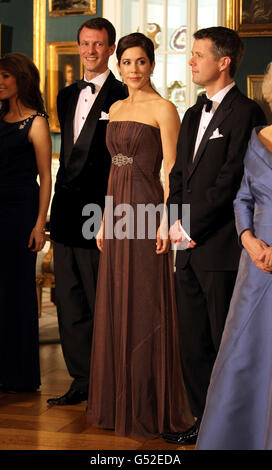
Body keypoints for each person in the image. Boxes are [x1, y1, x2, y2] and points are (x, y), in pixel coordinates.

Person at [86, 32, 197, 442]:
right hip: (115, 214)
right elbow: (113, 170)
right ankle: (118, 402)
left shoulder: (165, 108)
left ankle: (151, 404)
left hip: (148, 212)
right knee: (116, 299)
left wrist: (169, 222)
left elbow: (173, 171)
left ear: (151, 64)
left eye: (141, 62)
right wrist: (100, 220)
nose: (133, 69)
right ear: (119, 65)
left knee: (146, 301)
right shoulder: (115, 107)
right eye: (127, 62)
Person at [163, 26, 266, 444]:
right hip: (186, 249)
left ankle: (226, 428)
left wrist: (190, 226)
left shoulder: (248, 113)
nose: (191, 61)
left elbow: (233, 181)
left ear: (223, 62)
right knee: (193, 345)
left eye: (198, 54)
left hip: (223, 249)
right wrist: (175, 223)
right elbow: (179, 176)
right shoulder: (190, 113)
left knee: (224, 343)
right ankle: (202, 423)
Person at [48, 18, 127, 406]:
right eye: (85, 43)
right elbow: (67, 159)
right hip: (64, 211)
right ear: (78, 46)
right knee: (69, 299)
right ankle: (80, 379)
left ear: (110, 49)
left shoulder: (124, 94)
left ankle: (107, 383)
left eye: (98, 44)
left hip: (101, 211)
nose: (91, 51)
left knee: (101, 299)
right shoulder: (65, 95)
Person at [196, 62, 272, 450]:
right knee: (242, 353)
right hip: (256, 261)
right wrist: (247, 238)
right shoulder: (258, 138)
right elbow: (242, 197)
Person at [0, 53, 52, 392]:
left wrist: (39, 224)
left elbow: (46, 177)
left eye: (5, 76)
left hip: (19, 214)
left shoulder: (36, 122)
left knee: (14, 291)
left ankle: (18, 376)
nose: (0, 82)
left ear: (21, 78)